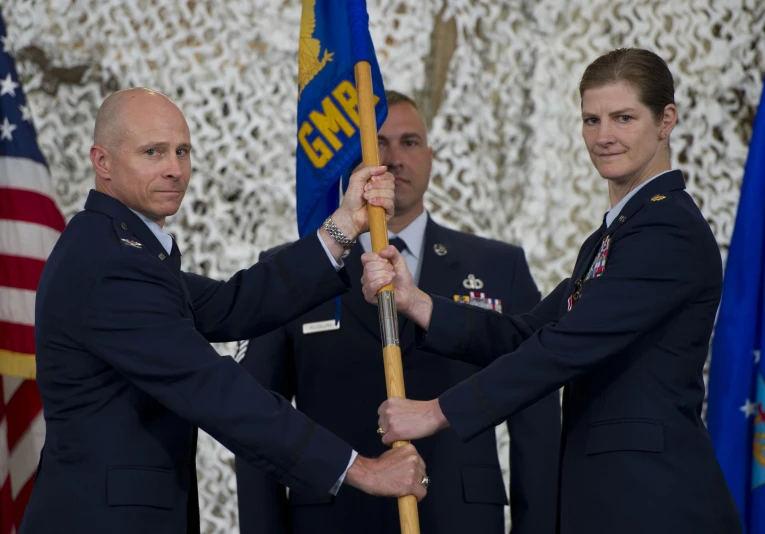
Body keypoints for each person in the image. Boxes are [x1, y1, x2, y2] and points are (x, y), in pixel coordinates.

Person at [361, 49, 743, 534]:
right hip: (610, 501)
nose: (603, 136)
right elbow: (527, 334)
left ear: (666, 119)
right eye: (591, 119)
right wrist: (418, 303)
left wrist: (437, 412)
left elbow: (564, 348)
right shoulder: (617, 233)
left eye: (623, 118)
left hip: (654, 504)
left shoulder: (668, 229)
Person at [21, 88, 429, 534]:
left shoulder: (121, 250)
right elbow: (215, 389)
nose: (174, 169)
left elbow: (233, 303)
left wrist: (344, 225)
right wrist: (360, 469)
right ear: (102, 162)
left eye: (182, 151)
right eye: (153, 152)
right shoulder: (109, 263)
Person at [234, 90, 561, 534]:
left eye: (409, 142)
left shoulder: (498, 267)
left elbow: (535, 416)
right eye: (378, 144)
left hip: (460, 518)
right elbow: (255, 416)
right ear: (354, 160)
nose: (393, 158)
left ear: (431, 155)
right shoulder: (294, 270)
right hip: (332, 518)